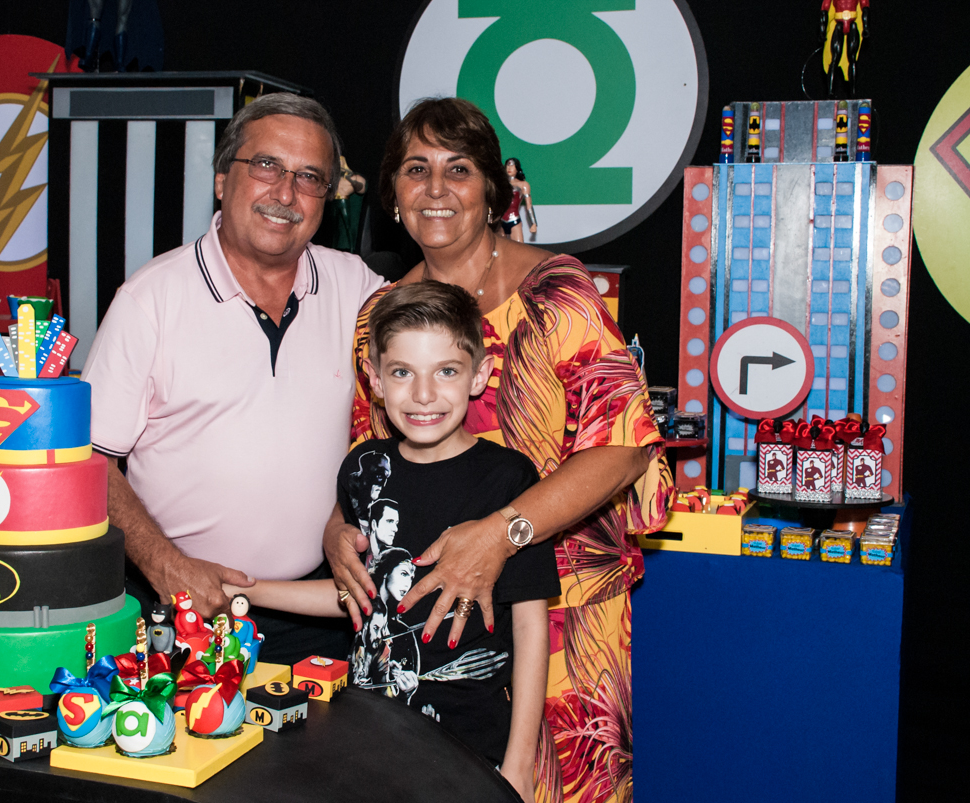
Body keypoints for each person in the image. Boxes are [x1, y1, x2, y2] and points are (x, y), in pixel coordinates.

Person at [324, 97, 673, 803]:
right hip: (433, 626)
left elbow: (625, 447)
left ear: (495, 192)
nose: (436, 188)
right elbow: (369, 454)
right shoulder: (381, 315)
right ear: (391, 194)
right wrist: (337, 530)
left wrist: (501, 534)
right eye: (416, 169)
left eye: (459, 169)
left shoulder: (557, 293)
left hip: (561, 613)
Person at [81, 93, 386, 664]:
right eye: (266, 165)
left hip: (319, 616)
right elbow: (89, 459)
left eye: (310, 177)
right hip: (180, 609)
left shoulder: (357, 290)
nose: (286, 194)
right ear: (222, 180)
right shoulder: (151, 299)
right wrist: (164, 565)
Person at [243, 282, 559, 801]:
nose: (424, 395)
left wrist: (519, 764)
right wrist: (248, 588)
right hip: (365, 736)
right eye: (402, 372)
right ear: (375, 379)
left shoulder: (508, 480)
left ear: (480, 375)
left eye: (447, 372)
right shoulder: (363, 469)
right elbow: (358, 596)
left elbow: (529, 625)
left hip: (469, 741)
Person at [499, 158, 536, 242]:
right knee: (499, 249)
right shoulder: (500, 184)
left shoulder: (523, 185)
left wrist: (533, 223)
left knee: (519, 249)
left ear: (517, 168)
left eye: (512, 166)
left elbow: (529, 205)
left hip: (514, 220)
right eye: (507, 166)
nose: (509, 168)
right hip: (500, 221)